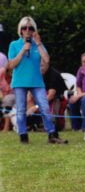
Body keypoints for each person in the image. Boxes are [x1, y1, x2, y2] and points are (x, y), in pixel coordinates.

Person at [7, 16, 67, 144]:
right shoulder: (14, 45)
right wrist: (23, 49)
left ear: (34, 30)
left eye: (31, 28)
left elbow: (47, 59)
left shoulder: (38, 44)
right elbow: (11, 65)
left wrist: (38, 43)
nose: (27, 30)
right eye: (24, 28)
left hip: (37, 81)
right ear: (20, 30)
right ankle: (23, 135)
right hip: (19, 82)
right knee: (21, 110)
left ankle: (52, 134)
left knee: (45, 107)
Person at [27, 60, 68, 131]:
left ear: (47, 64)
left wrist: (36, 107)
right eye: (38, 66)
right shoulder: (36, 74)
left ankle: (52, 124)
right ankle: (31, 122)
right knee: (28, 98)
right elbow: (30, 92)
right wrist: (30, 105)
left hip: (56, 99)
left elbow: (51, 96)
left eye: (42, 66)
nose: (40, 68)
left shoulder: (54, 75)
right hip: (41, 98)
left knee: (53, 124)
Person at [0, 53, 15, 132]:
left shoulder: (13, 74)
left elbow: (8, 89)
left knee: (6, 100)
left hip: (12, 95)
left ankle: (6, 127)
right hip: (3, 94)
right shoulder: (2, 74)